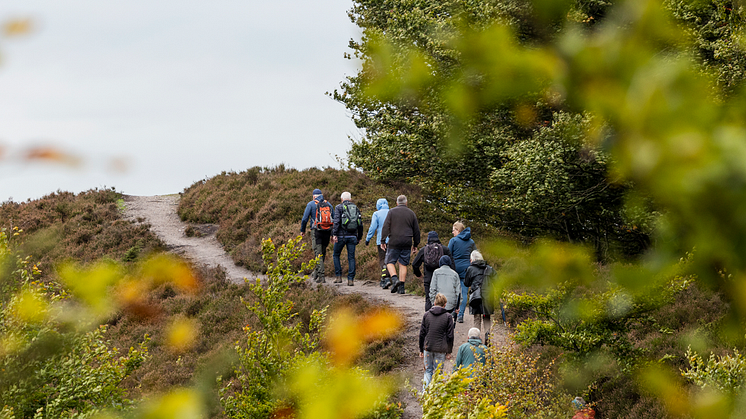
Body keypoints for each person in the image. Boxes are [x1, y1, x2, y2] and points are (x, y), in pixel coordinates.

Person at [381, 194, 421, 294]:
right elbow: (416, 230)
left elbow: (385, 226)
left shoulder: (391, 212)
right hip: (407, 241)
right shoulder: (411, 213)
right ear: (406, 202)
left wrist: (383, 240)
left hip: (394, 240)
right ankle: (401, 288)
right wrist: (415, 244)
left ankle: (394, 279)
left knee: (389, 262)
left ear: (397, 203)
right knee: (403, 263)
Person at [419, 293, 455, 391]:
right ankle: (436, 397)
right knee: (438, 373)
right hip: (441, 349)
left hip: (428, 347)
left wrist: (421, 349)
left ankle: (425, 395)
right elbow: (450, 336)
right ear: (445, 304)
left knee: (428, 371)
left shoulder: (426, 315)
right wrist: (449, 351)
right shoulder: (448, 317)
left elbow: (422, 333)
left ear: (434, 303)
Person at [413, 231, 455, 311]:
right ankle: (443, 317)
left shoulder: (424, 250)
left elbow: (414, 264)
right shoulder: (444, 249)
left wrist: (418, 274)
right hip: (442, 279)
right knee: (442, 298)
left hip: (428, 278)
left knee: (429, 298)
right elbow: (452, 265)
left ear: (428, 239)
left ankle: (429, 318)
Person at [300, 188, 334, 283]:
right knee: (322, 252)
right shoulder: (329, 204)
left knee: (318, 254)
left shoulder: (311, 204)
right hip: (327, 231)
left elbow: (304, 219)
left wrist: (302, 230)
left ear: (314, 196)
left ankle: (321, 276)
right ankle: (316, 273)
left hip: (316, 231)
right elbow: (334, 219)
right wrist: (332, 234)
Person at [332, 191, 363, 286]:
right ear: (350, 199)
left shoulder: (338, 207)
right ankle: (351, 279)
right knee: (351, 257)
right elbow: (360, 224)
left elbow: (336, 221)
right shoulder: (355, 207)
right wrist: (359, 236)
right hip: (353, 236)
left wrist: (334, 234)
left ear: (342, 199)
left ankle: (338, 277)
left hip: (341, 236)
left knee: (336, 255)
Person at [448, 221, 475, 323]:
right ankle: (460, 315)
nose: (452, 232)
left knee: (453, 292)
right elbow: (475, 255)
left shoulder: (453, 241)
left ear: (458, 230)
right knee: (464, 292)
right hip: (466, 270)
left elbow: (448, 255)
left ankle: (453, 312)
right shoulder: (471, 242)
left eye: (453, 230)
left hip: (454, 269)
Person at [463, 250, 495, 337]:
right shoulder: (489, 268)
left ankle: (476, 338)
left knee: (477, 318)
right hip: (488, 296)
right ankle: (487, 335)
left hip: (476, 296)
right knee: (487, 317)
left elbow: (466, 283)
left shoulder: (470, 269)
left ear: (472, 259)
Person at [365, 198, 391, 288]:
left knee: (383, 260)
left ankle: (385, 278)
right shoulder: (391, 212)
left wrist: (368, 239)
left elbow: (372, 228)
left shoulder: (376, 214)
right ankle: (390, 277)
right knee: (390, 259)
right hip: (392, 240)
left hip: (381, 241)